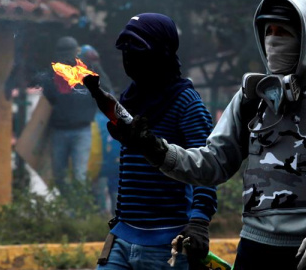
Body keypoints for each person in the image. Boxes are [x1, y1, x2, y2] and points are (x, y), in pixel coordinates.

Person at [105, 1, 306, 270]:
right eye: (269, 31)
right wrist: (156, 150)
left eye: (284, 32)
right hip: (255, 249)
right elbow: (213, 163)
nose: (273, 41)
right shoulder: (251, 98)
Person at [85, 13, 218, 270]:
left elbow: (208, 168)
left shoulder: (187, 103)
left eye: (137, 48)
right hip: (122, 238)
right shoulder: (130, 98)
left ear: (163, 51)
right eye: (125, 49)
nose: (129, 56)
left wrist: (200, 221)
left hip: (168, 244)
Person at [41, 36, 98, 196]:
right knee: (60, 175)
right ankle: (70, 211)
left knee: (78, 176)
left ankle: (77, 212)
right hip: (61, 130)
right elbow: (48, 98)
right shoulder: (53, 74)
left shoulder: (86, 70)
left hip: (80, 130)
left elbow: (103, 90)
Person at [79, 45, 121, 215]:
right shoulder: (102, 79)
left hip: (97, 131)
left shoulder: (82, 79)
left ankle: (101, 211)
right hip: (107, 131)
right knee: (108, 174)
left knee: (99, 173)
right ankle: (111, 211)